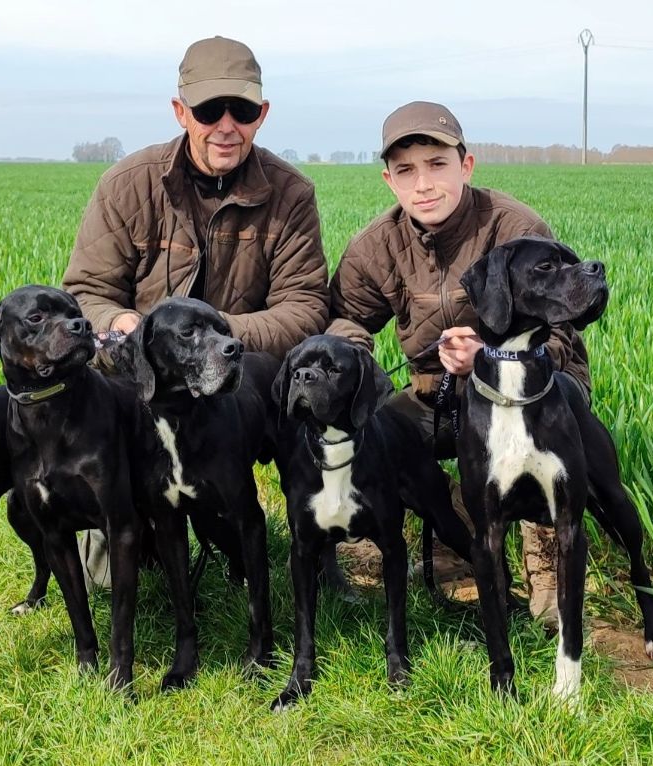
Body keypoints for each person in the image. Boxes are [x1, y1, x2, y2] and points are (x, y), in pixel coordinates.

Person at [61, 36, 330, 589]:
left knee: (313, 384)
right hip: (145, 383)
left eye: (243, 111)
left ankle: (317, 542)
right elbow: (86, 291)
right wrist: (126, 327)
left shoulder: (291, 194)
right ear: (181, 111)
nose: (226, 126)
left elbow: (305, 309)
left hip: (237, 380)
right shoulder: (128, 184)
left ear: (263, 114)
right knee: (117, 577)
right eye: (209, 110)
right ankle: (124, 520)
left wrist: (209, 338)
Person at [328, 101, 594, 626]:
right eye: (406, 170)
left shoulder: (514, 227)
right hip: (439, 394)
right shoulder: (375, 247)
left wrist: (490, 357)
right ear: (389, 180)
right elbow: (345, 320)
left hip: (536, 388)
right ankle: (458, 527)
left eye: (437, 164)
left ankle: (546, 552)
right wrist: (357, 367)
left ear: (466, 165)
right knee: (374, 435)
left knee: (531, 436)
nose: (424, 183)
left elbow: (565, 322)